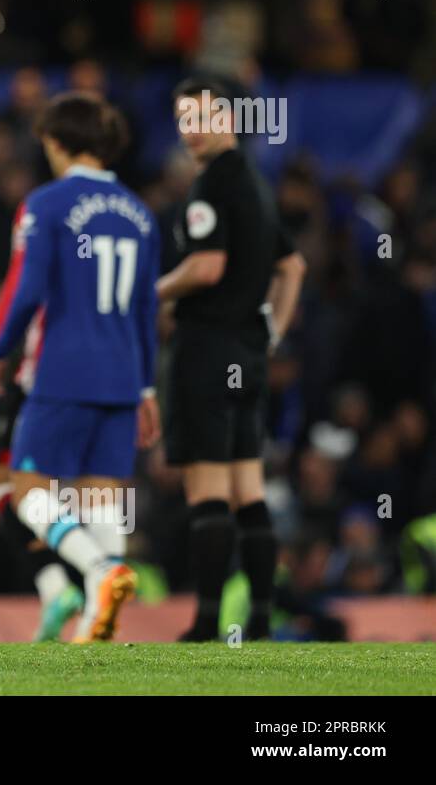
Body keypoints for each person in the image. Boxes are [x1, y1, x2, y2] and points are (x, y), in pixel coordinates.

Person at [0, 92, 160, 642]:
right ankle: (102, 617)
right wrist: (148, 387)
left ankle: (102, 573)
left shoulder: (47, 204)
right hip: (124, 372)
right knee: (99, 496)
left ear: (56, 141)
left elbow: (27, 291)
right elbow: (147, 308)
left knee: (24, 488)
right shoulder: (141, 213)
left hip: (63, 369)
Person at [157, 76, 305, 642]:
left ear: (228, 118)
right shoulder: (257, 186)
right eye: (183, 121)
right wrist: (273, 329)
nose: (191, 132)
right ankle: (262, 619)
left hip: (208, 349)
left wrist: (152, 292)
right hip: (248, 353)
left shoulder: (213, 186)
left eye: (202, 118)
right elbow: (293, 267)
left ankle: (205, 621)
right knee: (250, 488)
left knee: (208, 488)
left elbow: (207, 268)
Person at [0, 202, 84, 641]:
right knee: (16, 493)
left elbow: (16, 302)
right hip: (75, 378)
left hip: (31, 376)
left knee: (16, 492)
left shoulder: (37, 229)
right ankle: (62, 585)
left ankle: (77, 578)